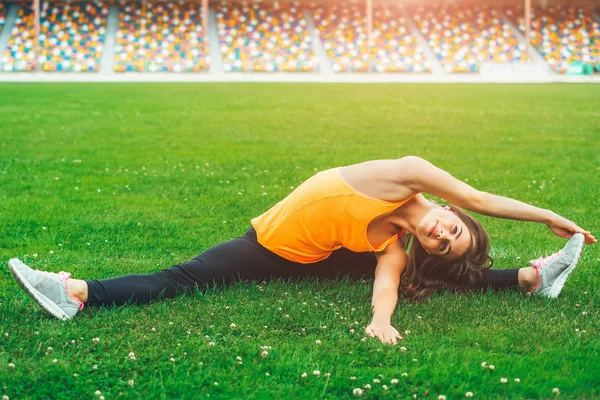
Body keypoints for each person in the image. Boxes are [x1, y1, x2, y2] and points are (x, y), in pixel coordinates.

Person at [8, 157, 595, 345]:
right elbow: (482, 196)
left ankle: (75, 294)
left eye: (446, 241)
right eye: (451, 227)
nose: (442, 233)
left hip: (300, 257)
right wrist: (546, 214)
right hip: (265, 245)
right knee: (185, 277)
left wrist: (378, 323)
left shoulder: (393, 244)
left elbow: (385, 286)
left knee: (420, 274)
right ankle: (528, 279)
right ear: (450, 209)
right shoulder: (408, 173)